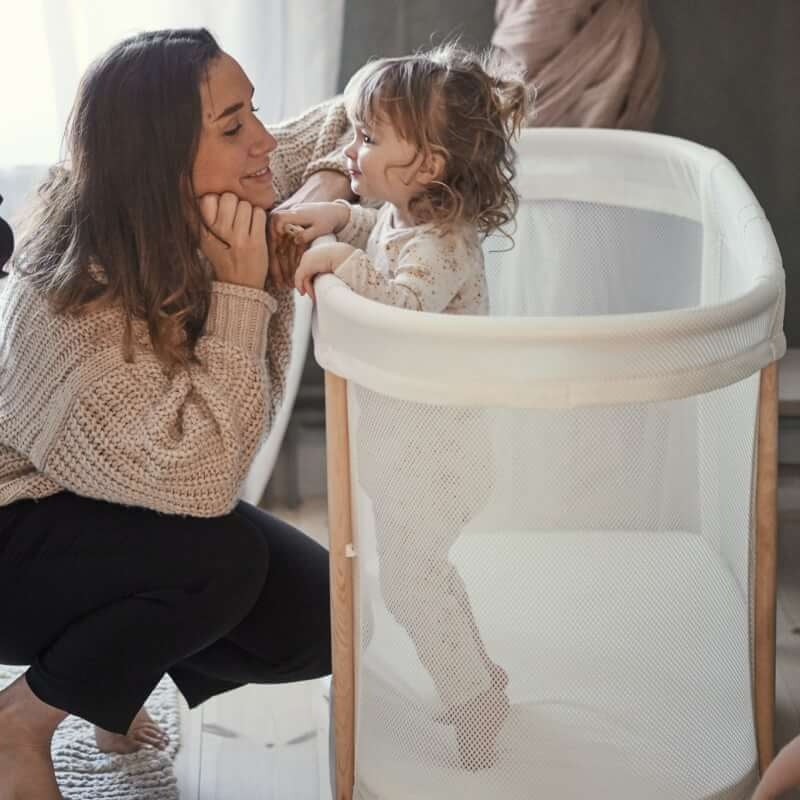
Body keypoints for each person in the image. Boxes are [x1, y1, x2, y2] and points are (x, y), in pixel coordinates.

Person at [0, 28, 352, 800]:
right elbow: (201, 484)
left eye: (252, 111)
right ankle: (21, 723)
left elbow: (359, 110)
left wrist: (326, 185)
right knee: (219, 561)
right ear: (159, 155)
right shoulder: (72, 299)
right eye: (233, 127)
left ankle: (108, 686)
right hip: (14, 535)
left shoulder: (207, 189)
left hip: (111, 502)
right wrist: (235, 294)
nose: (262, 140)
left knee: (325, 619)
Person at [273, 43, 528, 770]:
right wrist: (342, 222)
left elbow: (401, 299)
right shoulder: (405, 218)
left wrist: (337, 260)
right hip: (409, 450)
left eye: (367, 137)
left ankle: (475, 697)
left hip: (438, 456)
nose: (349, 150)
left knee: (412, 588)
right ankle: (481, 678)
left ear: (429, 166)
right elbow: (381, 242)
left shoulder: (445, 243)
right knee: (426, 577)